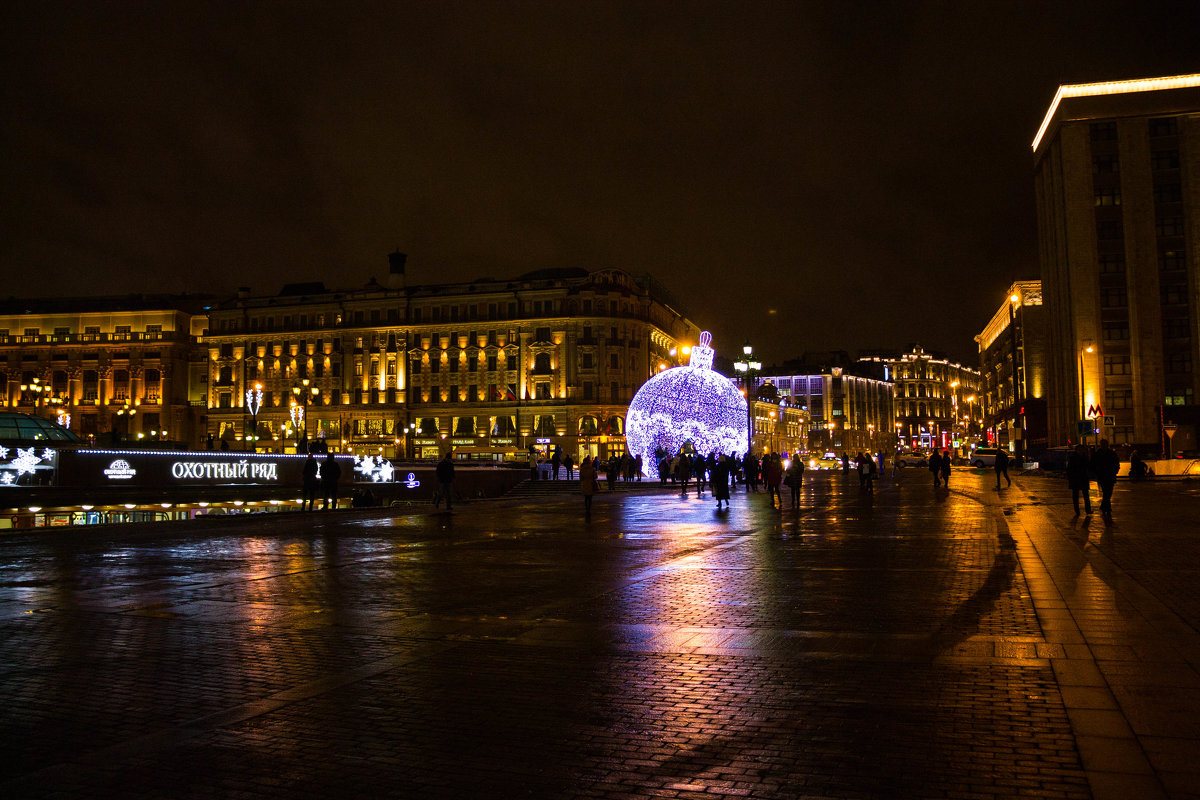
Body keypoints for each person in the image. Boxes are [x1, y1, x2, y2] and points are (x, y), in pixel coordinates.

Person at [1091, 438, 1120, 516]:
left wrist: (1115, 471)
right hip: (1103, 476)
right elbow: (1094, 465)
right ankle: (1107, 507)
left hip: (1109, 475)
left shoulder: (1111, 453)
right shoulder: (1098, 454)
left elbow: (1116, 463)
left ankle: (1104, 506)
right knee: (1106, 491)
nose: (1104, 446)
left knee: (1108, 492)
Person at [1066, 443, 1092, 515]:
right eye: (1080, 449)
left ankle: (1087, 510)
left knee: (1085, 495)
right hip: (1076, 479)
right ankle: (1078, 510)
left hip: (1082, 478)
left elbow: (1088, 467)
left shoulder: (1084, 457)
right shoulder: (1074, 458)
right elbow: (1069, 469)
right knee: (1077, 495)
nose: (1081, 451)